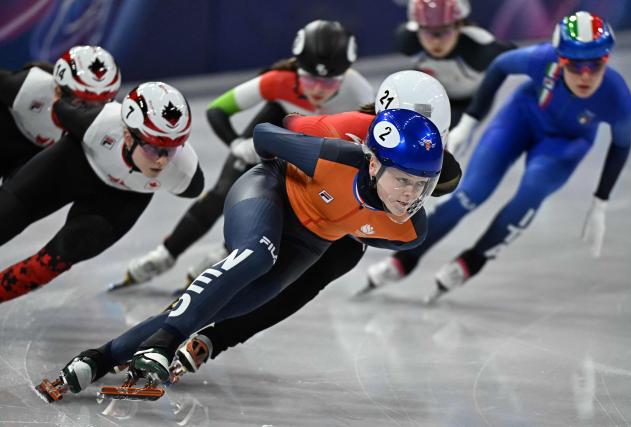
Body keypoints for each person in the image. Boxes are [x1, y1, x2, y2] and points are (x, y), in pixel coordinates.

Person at [40, 107, 447, 399]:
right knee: (257, 254)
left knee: (226, 307)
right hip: (268, 192)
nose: (410, 194)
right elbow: (265, 135)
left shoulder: (409, 229)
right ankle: (163, 343)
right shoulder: (333, 156)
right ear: (373, 165)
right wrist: (289, 175)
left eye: (422, 185)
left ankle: (97, 359)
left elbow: (363, 230)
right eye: (403, 180)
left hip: (309, 242)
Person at [366, 11, 631, 301]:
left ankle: (472, 261)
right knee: (471, 192)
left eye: (595, 65)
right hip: (521, 118)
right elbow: (499, 67)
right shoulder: (541, 59)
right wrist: (470, 121)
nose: (585, 75)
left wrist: (601, 201)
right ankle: (405, 259)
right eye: (574, 64)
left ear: (607, 59)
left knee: (532, 190)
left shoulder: (618, 98)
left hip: (565, 144)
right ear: (559, 58)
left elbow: (621, 146)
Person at [117, 19, 373, 288]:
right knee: (222, 193)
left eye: (330, 83)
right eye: (309, 78)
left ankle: (226, 253)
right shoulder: (278, 81)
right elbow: (217, 111)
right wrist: (236, 144)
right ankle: (163, 256)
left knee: (280, 206)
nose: (318, 90)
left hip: (313, 147)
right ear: (297, 68)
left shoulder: (359, 93)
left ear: (345, 76)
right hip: (276, 129)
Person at [0, 82, 204, 302]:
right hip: (72, 164)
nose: (163, 160)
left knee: (62, 255)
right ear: (127, 136)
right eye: (154, 148)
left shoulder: (185, 175)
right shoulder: (97, 121)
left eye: (172, 149)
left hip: (119, 200)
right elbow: (59, 106)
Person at [0, 45, 120, 180]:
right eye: (82, 102)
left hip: (37, 160)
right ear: (57, 91)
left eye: (103, 102)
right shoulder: (29, 87)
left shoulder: (110, 124)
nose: (91, 112)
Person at [396, 0, 514, 127]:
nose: (436, 42)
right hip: (435, 97)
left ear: (459, 27)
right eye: (427, 31)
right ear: (417, 29)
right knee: (403, 110)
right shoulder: (407, 40)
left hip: (472, 102)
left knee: (447, 127)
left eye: (444, 31)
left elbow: (519, 57)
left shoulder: (481, 49)